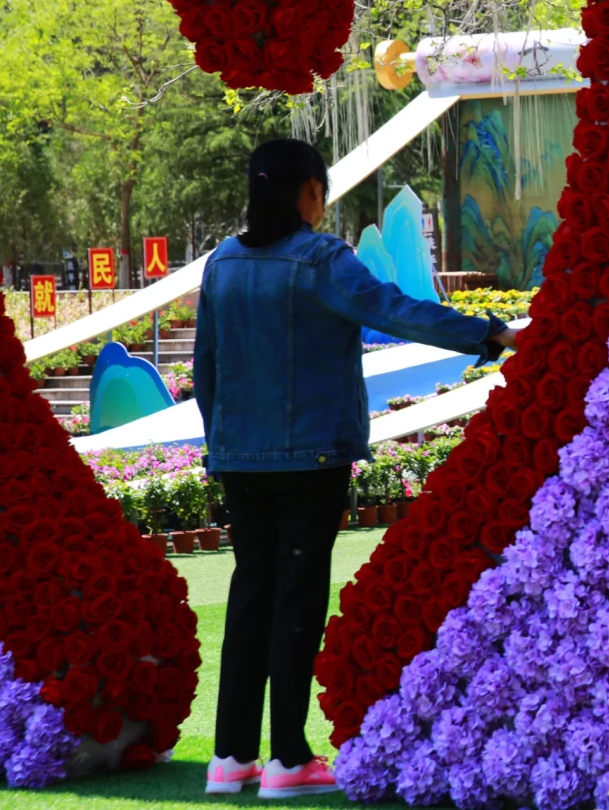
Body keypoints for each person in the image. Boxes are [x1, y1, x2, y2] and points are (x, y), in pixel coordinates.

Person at [194, 139, 518, 798]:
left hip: (239, 456)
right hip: (312, 455)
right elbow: (394, 310)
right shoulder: (322, 259)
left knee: (251, 595)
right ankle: (288, 759)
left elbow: (206, 370)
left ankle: (230, 757)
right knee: (297, 600)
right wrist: (488, 332)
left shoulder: (221, 264)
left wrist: (222, 445)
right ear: (309, 191)